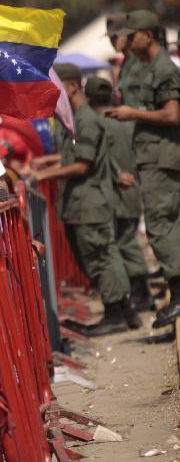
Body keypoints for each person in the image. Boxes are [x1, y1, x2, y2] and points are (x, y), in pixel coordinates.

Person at [37, 63, 139, 335]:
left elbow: (83, 164)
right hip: (81, 203)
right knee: (97, 257)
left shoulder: (85, 120)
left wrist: (45, 174)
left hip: (90, 202)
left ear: (71, 87)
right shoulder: (74, 119)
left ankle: (116, 311)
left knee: (100, 257)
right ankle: (123, 311)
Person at [104, 10, 180, 329]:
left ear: (147, 35)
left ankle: (178, 293)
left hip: (162, 159)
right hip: (154, 157)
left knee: (160, 224)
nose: (127, 40)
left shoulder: (162, 68)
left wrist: (131, 112)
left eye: (132, 34)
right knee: (164, 223)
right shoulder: (151, 67)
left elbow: (172, 115)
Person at [86, 76, 154, 312]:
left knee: (124, 242)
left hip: (116, 191)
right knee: (127, 239)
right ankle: (140, 292)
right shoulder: (128, 122)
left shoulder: (98, 123)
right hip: (133, 188)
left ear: (88, 97)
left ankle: (140, 293)